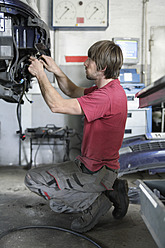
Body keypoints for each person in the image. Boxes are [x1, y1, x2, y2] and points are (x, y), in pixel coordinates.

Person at [25, 40, 129, 233]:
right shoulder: (108, 89)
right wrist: (55, 70)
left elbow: (57, 105)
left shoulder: (105, 97)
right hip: (97, 167)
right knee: (56, 197)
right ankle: (113, 190)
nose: (85, 63)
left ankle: (95, 203)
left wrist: (40, 74)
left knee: (33, 180)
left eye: (90, 59)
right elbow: (72, 91)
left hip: (95, 171)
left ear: (102, 67)